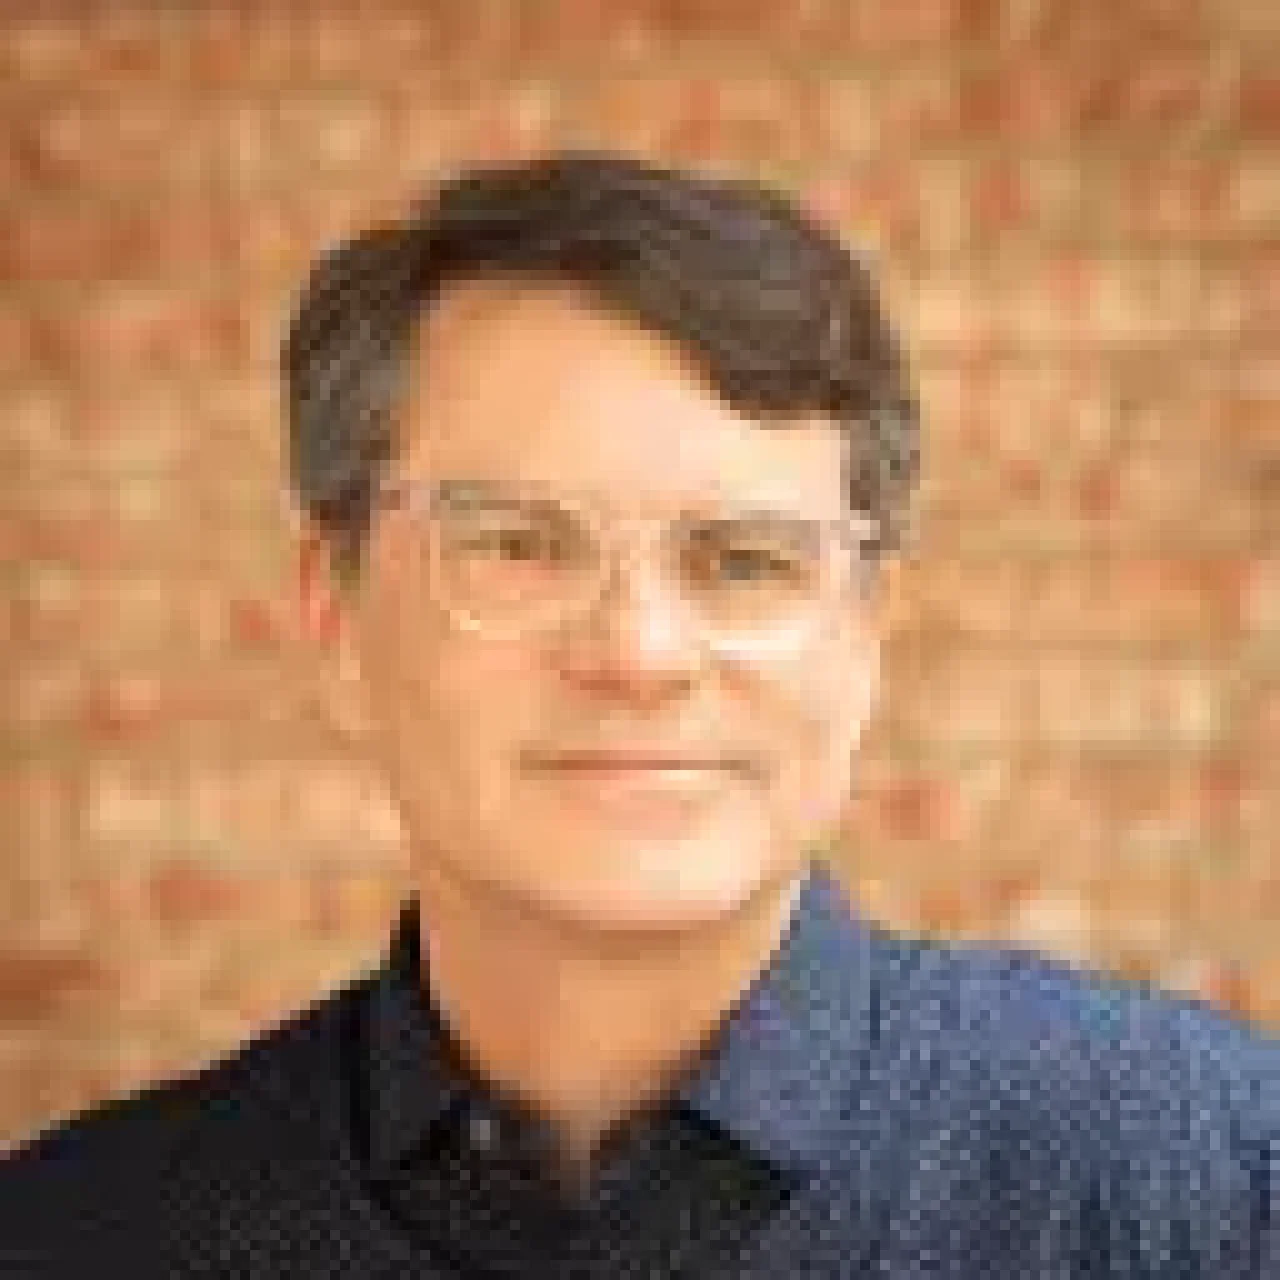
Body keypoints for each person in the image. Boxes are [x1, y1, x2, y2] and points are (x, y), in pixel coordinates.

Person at [2, 150, 1274, 1278]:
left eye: (743, 557)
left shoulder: (1211, 1186)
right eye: (516, 544)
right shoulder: (74, 1235)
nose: (637, 652)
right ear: (333, 614)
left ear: (868, 635)